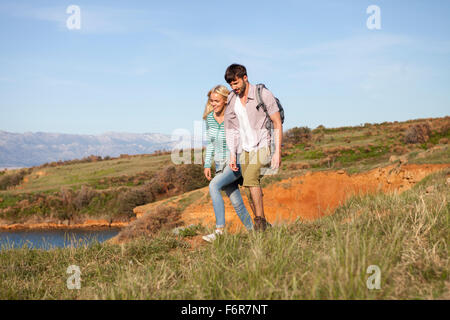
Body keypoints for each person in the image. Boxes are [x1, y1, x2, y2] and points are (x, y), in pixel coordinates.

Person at [224, 64, 283, 231]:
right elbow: (231, 129)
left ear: (245, 78)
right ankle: (263, 225)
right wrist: (233, 155)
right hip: (245, 149)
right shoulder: (232, 100)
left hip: (264, 144)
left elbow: (277, 122)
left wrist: (277, 152)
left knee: (250, 177)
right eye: (231, 85)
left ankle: (259, 223)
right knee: (249, 184)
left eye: (236, 83)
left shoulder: (263, 94)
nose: (233, 88)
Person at [202, 85, 254, 242]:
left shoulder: (234, 116)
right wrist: (206, 164)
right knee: (237, 202)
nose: (213, 104)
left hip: (235, 162)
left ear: (226, 100)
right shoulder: (209, 118)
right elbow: (211, 142)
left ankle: (219, 231)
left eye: (217, 101)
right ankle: (255, 232)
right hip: (219, 165)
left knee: (213, 186)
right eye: (211, 101)